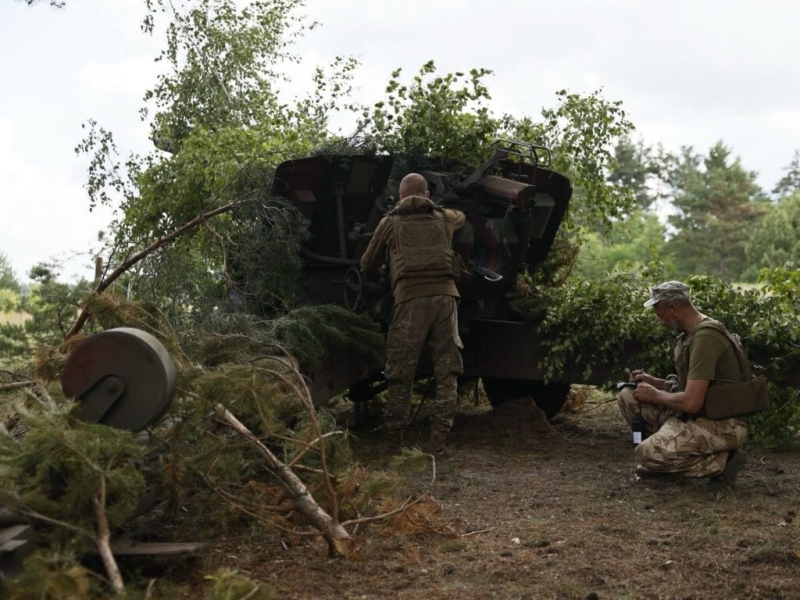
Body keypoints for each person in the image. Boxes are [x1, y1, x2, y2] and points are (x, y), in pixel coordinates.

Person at [360, 173, 466, 455]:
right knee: (447, 372)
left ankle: (396, 442)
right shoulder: (444, 218)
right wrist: (435, 207)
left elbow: (367, 263)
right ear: (428, 195)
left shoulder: (389, 222)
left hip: (409, 299)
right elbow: (462, 217)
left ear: (400, 196)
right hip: (445, 298)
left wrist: (382, 275)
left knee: (400, 371)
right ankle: (439, 441)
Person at [618, 281, 749, 489]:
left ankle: (725, 461)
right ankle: (670, 450)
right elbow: (690, 387)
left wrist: (654, 395)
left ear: (673, 309)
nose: (661, 323)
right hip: (699, 414)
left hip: (724, 424)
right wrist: (656, 383)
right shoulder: (690, 335)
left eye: (661, 316)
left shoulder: (706, 337)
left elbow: (691, 402)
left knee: (646, 454)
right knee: (628, 395)